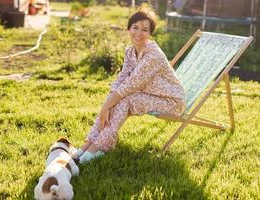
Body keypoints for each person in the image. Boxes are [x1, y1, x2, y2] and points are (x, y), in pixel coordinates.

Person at [72, 7, 186, 164]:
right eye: (135, 27)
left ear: (150, 33)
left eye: (145, 30)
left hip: (171, 102)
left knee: (125, 99)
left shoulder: (153, 55)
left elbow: (131, 85)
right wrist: (108, 102)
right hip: (151, 96)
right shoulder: (130, 51)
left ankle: (97, 148)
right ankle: (86, 146)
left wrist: (106, 106)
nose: (139, 33)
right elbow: (122, 78)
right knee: (115, 98)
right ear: (128, 29)